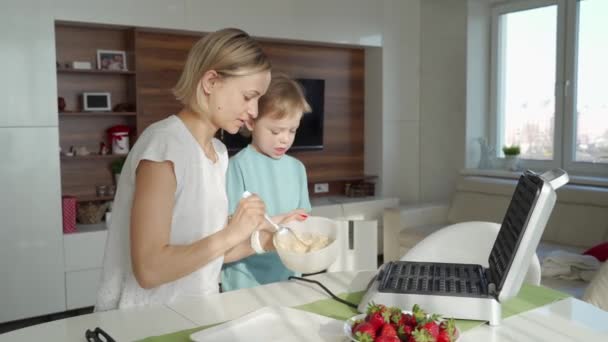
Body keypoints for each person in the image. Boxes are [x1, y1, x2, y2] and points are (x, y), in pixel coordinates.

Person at [95, 28, 301, 311]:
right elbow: (150, 270)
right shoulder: (164, 146)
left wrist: (271, 239)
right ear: (211, 81)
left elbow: (210, 252)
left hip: (194, 314)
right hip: (144, 323)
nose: (254, 110)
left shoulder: (217, 153)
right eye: (248, 96)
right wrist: (232, 232)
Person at [221, 74, 313, 291]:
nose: (285, 139)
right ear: (251, 122)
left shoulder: (297, 169)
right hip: (244, 282)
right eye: (276, 130)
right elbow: (231, 230)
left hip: (289, 277)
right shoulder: (237, 166)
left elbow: (303, 220)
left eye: (292, 130)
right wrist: (280, 221)